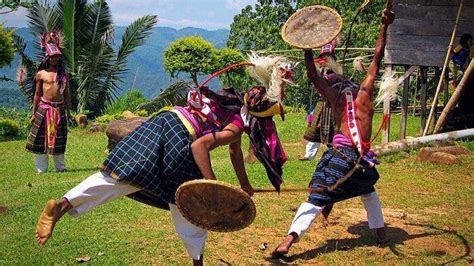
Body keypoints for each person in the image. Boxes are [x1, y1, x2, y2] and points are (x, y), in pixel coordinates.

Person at [35, 55, 293, 266]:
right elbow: (200, 145)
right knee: (188, 202)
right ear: (262, 120)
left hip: (165, 120)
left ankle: (62, 204)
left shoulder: (235, 108)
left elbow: (235, 153)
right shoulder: (237, 127)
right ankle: (197, 262)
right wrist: (210, 184)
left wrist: (244, 185)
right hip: (181, 138)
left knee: (122, 175)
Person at [272, 8, 395, 257]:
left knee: (316, 196)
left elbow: (312, 76)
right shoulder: (365, 93)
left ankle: (289, 240)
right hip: (361, 162)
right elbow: (377, 58)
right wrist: (384, 26)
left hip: (339, 157)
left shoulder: (335, 100)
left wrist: (306, 48)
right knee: (368, 191)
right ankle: (381, 232)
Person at [26, 31, 71, 173]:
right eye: (52, 57)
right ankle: (41, 169)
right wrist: (33, 113)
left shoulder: (63, 75)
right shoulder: (41, 74)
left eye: (57, 57)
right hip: (44, 109)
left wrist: (69, 111)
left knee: (59, 139)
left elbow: (67, 93)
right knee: (40, 140)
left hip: (59, 109)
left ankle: (60, 167)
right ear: (47, 57)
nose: (55, 59)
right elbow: (37, 94)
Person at [299, 42, 338, 161]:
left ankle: (334, 152)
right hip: (321, 104)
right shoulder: (319, 71)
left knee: (334, 130)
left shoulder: (336, 72)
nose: (324, 60)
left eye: (327, 57)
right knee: (314, 128)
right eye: (323, 57)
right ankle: (309, 155)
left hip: (332, 105)